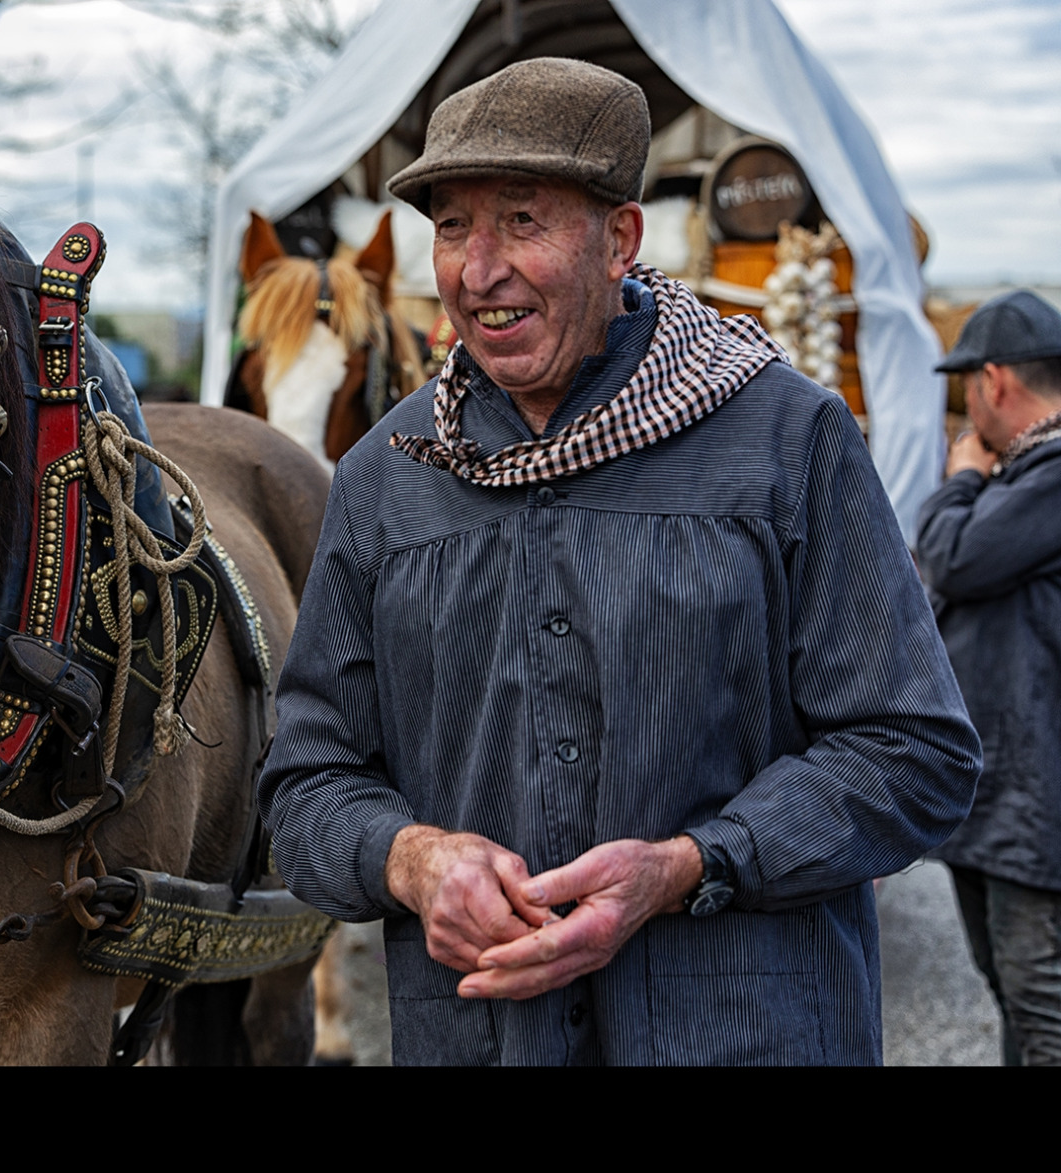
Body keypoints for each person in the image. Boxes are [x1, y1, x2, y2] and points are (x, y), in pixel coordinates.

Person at [257, 58, 981, 1065]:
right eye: (453, 227)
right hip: (481, 1040)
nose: (476, 271)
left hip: (748, 1040)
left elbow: (916, 753)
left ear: (620, 241)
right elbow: (304, 784)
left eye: (522, 221)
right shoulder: (387, 476)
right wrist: (410, 858)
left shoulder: (786, 440)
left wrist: (690, 865)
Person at [917, 290, 1061, 1066]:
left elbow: (951, 558)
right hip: (1011, 803)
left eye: (967, 385)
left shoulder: (1050, 472)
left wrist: (961, 475)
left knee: (1042, 1002)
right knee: (1016, 991)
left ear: (995, 380)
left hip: (1038, 809)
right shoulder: (1032, 473)